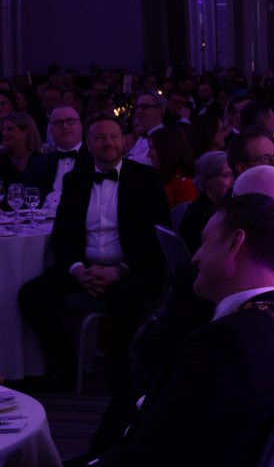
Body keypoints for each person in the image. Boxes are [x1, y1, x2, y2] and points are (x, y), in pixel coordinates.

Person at [78, 194, 274, 467]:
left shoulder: (222, 345)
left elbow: (151, 456)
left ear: (235, 244)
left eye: (205, 242)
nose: (195, 257)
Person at [18, 112, 171, 390]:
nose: (108, 143)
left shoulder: (146, 178)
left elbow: (156, 236)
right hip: (84, 266)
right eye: (100, 137)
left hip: (129, 267)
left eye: (113, 136)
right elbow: (62, 236)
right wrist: (78, 270)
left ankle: (120, 362)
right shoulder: (76, 180)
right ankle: (65, 362)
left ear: (124, 142)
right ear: (89, 144)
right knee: (31, 295)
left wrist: (119, 270)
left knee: (125, 296)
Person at [25, 105, 93, 207]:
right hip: (40, 220)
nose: (65, 126)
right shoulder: (38, 164)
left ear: (81, 126)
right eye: (58, 122)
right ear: (51, 130)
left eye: (70, 120)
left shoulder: (95, 161)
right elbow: (27, 199)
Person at [177, 151, 234, 253]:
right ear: (206, 181)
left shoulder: (218, 207)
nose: (233, 181)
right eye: (227, 175)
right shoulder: (203, 215)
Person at [147, 127, 199, 208]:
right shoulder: (157, 180)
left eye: (152, 148)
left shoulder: (185, 185)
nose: (148, 154)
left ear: (166, 150)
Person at [0, 111, 44, 190]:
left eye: (9, 129)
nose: (4, 133)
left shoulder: (41, 161)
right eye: (3, 129)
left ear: (26, 132)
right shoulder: (1, 159)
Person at [124, 90, 165, 166]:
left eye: (144, 107)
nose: (138, 111)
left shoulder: (165, 138)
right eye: (137, 107)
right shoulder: (142, 138)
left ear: (159, 110)